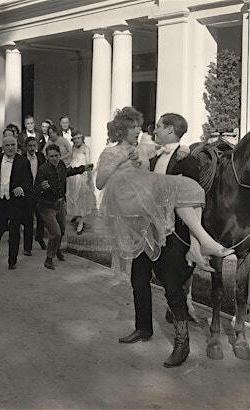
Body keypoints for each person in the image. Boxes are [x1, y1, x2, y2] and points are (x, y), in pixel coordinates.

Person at [96, 107, 231, 368]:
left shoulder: (165, 154)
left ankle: (182, 343)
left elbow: (180, 187)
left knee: (171, 285)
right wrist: (124, 162)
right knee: (139, 279)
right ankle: (143, 328)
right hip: (138, 224)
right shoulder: (118, 151)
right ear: (123, 128)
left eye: (144, 126)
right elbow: (101, 182)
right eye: (136, 126)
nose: (143, 130)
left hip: (164, 231)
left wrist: (180, 151)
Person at [34, 144, 93, 270]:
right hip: (46, 206)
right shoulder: (43, 169)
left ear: (59, 156)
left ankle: (56, 249)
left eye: (56, 156)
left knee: (61, 231)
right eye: (51, 156)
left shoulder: (61, 165)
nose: (54, 158)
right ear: (47, 157)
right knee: (55, 233)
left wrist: (83, 168)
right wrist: (42, 186)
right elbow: (36, 187)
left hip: (60, 203)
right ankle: (49, 259)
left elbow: (68, 172)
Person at [0, 134, 32, 270]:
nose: (10, 148)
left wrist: (21, 187)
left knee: (14, 231)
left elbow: (28, 181)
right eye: (7, 145)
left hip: (16, 202)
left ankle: (12, 260)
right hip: (0, 200)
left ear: (17, 146)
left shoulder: (23, 161)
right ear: (3, 147)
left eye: (13, 145)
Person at [66, 129, 96, 234]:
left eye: (78, 138)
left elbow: (88, 163)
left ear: (82, 138)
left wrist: (90, 178)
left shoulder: (86, 148)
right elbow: (71, 160)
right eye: (74, 139)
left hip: (83, 175)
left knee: (82, 197)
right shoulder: (73, 148)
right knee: (74, 196)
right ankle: (77, 213)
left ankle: (81, 221)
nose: (77, 140)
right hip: (74, 176)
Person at [23, 136, 46, 254]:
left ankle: (40, 237)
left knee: (41, 218)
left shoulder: (41, 157)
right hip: (26, 194)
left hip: (38, 192)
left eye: (34, 146)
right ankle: (27, 247)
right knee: (28, 220)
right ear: (26, 147)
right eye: (30, 146)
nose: (32, 148)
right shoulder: (21, 159)